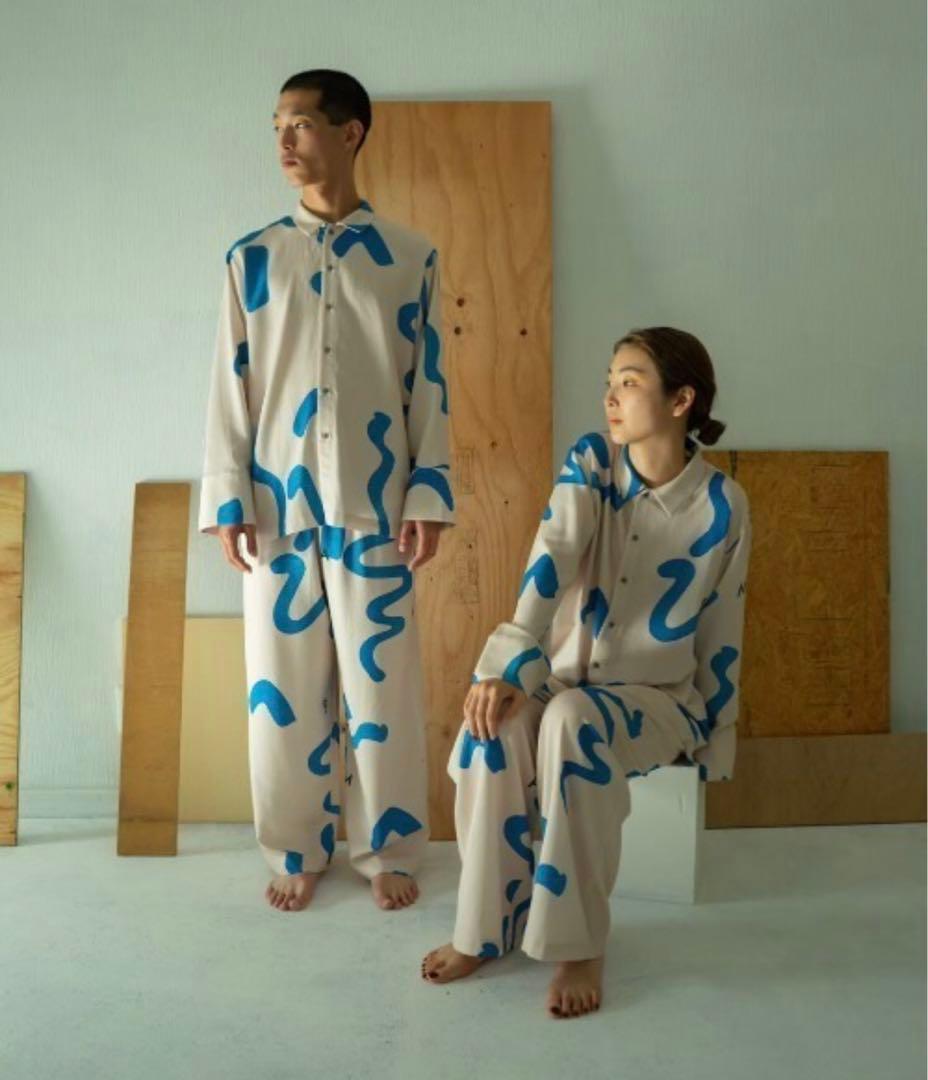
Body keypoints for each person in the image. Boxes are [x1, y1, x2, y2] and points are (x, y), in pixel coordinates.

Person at [421, 327, 752, 1018]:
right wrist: (509, 666)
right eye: (610, 380)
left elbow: (724, 624)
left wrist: (716, 739)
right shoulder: (593, 463)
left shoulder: (723, 506)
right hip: (563, 680)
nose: (610, 396)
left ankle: (579, 944)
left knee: (573, 721)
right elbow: (554, 553)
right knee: (494, 728)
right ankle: (484, 927)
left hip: (657, 698)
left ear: (681, 400)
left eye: (630, 382)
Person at [198, 69, 454, 914]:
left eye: (301, 123)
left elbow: (428, 385)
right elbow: (230, 385)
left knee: (384, 692)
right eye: (276, 123)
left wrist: (428, 496)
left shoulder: (410, 257)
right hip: (276, 511)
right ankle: (295, 845)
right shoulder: (251, 259)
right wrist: (227, 498)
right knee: (280, 692)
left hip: (376, 509)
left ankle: (389, 848)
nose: (283, 140)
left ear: (350, 133)